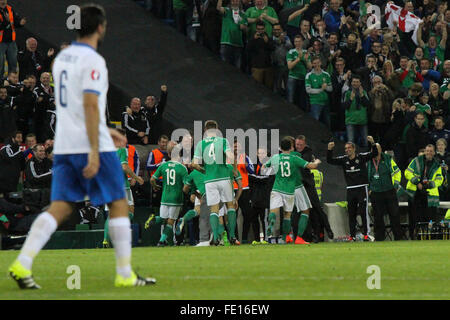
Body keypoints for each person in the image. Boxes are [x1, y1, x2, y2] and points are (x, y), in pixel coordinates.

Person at [8, 4, 156, 289]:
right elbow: (89, 103)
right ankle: (124, 272)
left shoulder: (62, 59)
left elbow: (76, 105)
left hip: (64, 145)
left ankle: (22, 263)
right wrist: (94, 145)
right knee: (118, 202)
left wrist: (107, 129)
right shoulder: (93, 61)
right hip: (90, 145)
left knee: (61, 206)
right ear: (100, 27)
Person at [263, 137, 321, 245]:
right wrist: (316, 161)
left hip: (278, 188)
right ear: (291, 147)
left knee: (278, 212)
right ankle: (298, 237)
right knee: (304, 211)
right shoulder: (296, 157)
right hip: (296, 186)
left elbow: (264, 168)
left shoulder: (276, 157)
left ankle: (285, 237)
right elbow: (311, 166)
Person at [191, 120, 238, 245]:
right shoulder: (223, 141)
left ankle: (216, 238)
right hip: (223, 177)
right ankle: (232, 236)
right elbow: (231, 156)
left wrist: (203, 170)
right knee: (230, 206)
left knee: (214, 209)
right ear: (217, 129)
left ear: (205, 131)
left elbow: (194, 164)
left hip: (210, 180)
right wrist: (233, 168)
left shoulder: (200, 144)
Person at [327, 136, 378, 241]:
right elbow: (330, 160)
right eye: (345, 148)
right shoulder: (343, 160)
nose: (347, 150)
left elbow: (374, 153)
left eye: (349, 148)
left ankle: (366, 235)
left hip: (361, 188)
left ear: (354, 149)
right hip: (350, 189)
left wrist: (372, 143)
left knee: (364, 211)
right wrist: (329, 149)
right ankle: (352, 236)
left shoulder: (361, 157)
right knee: (351, 213)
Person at [103, 129, 144, 248]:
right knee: (130, 210)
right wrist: (136, 178)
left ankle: (105, 240)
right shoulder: (122, 150)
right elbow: (125, 167)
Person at [147, 144, 188, 246]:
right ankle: (162, 240)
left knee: (163, 219)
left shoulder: (163, 165)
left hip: (165, 197)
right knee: (171, 221)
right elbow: (186, 187)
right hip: (176, 198)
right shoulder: (182, 168)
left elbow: (152, 179)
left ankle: (154, 219)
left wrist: (155, 186)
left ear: (169, 154)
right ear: (179, 154)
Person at [405, 144, 444, 237]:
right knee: (414, 217)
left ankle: (428, 237)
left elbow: (440, 179)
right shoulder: (416, 161)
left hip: (429, 193)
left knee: (429, 218)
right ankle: (413, 236)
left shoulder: (437, 164)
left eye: (431, 151)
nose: (429, 153)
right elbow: (407, 172)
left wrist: (431, 184)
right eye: (427, 151)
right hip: (415, 193)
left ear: (434, 153)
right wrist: (417, 182)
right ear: (425, 151)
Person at [367, 143, 403, 241]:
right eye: (373, 149)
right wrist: (369, 189)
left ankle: (398, 237)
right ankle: (379, 238)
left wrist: (395, 185)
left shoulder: (388, 159)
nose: (375, 150)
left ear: (381, 150)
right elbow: (364, 177)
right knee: (378, 217)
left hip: (389, 191)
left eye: (377, 148)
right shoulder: (368, 162)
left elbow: (397, 172)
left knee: (394, 214)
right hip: (375, 192)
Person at [217, 0, 248, 69]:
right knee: (225, 68)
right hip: (226, 43)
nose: (235, 3)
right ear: (230, 2)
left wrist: (244, 27)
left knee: (237, 69)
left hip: (238, 44)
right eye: (233, 1)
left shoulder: (243, 14)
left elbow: (246, 30)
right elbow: (219, 8)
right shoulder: (227, 10)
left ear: (239, 2)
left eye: (237, 1)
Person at [342, 75, 370, 149]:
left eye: (357, 82)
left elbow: (367, 104)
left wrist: (362, 96)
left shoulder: (364, 92)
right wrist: (350, 99)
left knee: (365, 142)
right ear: (351, 83)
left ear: (360, 83)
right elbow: (344, 106)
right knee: (350, 143)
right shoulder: (347, 93)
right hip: (350, 121)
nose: (355, 83)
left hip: (362, 120)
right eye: (354, 82)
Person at [0, 0, 26, 76]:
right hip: (1, 42)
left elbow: (15, 21)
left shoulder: (10, 8)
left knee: (13, 63)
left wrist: (20, 23)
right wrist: (6, 22)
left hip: (11, 41)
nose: (3, 1)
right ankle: (1, 83)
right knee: (0, 64)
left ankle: (12, 82)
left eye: (4, 0)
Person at [305, 56, 332, 128]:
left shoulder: (326, 74)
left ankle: (329, 138)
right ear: (312, 64)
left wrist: (325, 87)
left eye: (318, 63)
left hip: (326, 102)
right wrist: (321, 89)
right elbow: (308, 90)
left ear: (320, 63)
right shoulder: (309, 75)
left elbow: (331, 88)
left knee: (327, 123)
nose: (316, 65)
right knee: (315, 123)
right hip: (315, 102)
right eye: (314, 63)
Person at [286, 34, 311, 111]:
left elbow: (309, 67)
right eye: (296, 41)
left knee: (302, 100)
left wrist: (306, 60)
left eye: (299, 41)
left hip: (303, 78)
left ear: (302, 42)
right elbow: (289, 66)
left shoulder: (306, 52)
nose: (297, 43)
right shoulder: (291, 52)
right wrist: (298, 59)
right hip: (293, 78)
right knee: (291, 99)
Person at [247, 21, 275, 89]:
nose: (260, 31)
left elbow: (273, 48)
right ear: (256, 29)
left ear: (264, 29)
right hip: (256, 67)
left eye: (262, 29)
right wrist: (253, 39)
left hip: (267, 66)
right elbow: (247, 49)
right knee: (256, 88)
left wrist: (267, 42)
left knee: (268, 88)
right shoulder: (252, 38)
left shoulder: (268, 38)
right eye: (259, 29)